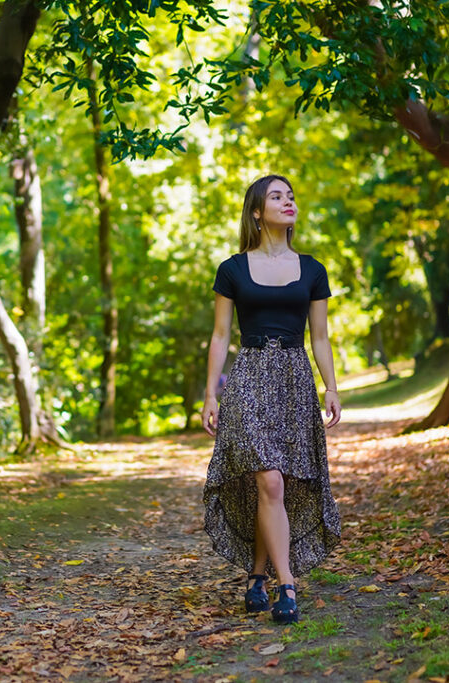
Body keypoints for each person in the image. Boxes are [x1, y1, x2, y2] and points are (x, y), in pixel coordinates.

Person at [201, 174, 342, 625]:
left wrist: (331, 386)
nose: (289, 201)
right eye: (277, 196)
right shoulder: (233, 269)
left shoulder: (314, 269)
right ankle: (288, 587)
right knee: (269, 481)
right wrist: (211, 393)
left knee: (276, 483)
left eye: (292, 195)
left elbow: (320, 336)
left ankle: (257, 575)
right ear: (257, 212)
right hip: (249, 378)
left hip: (294, 380)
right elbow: (221, 335)